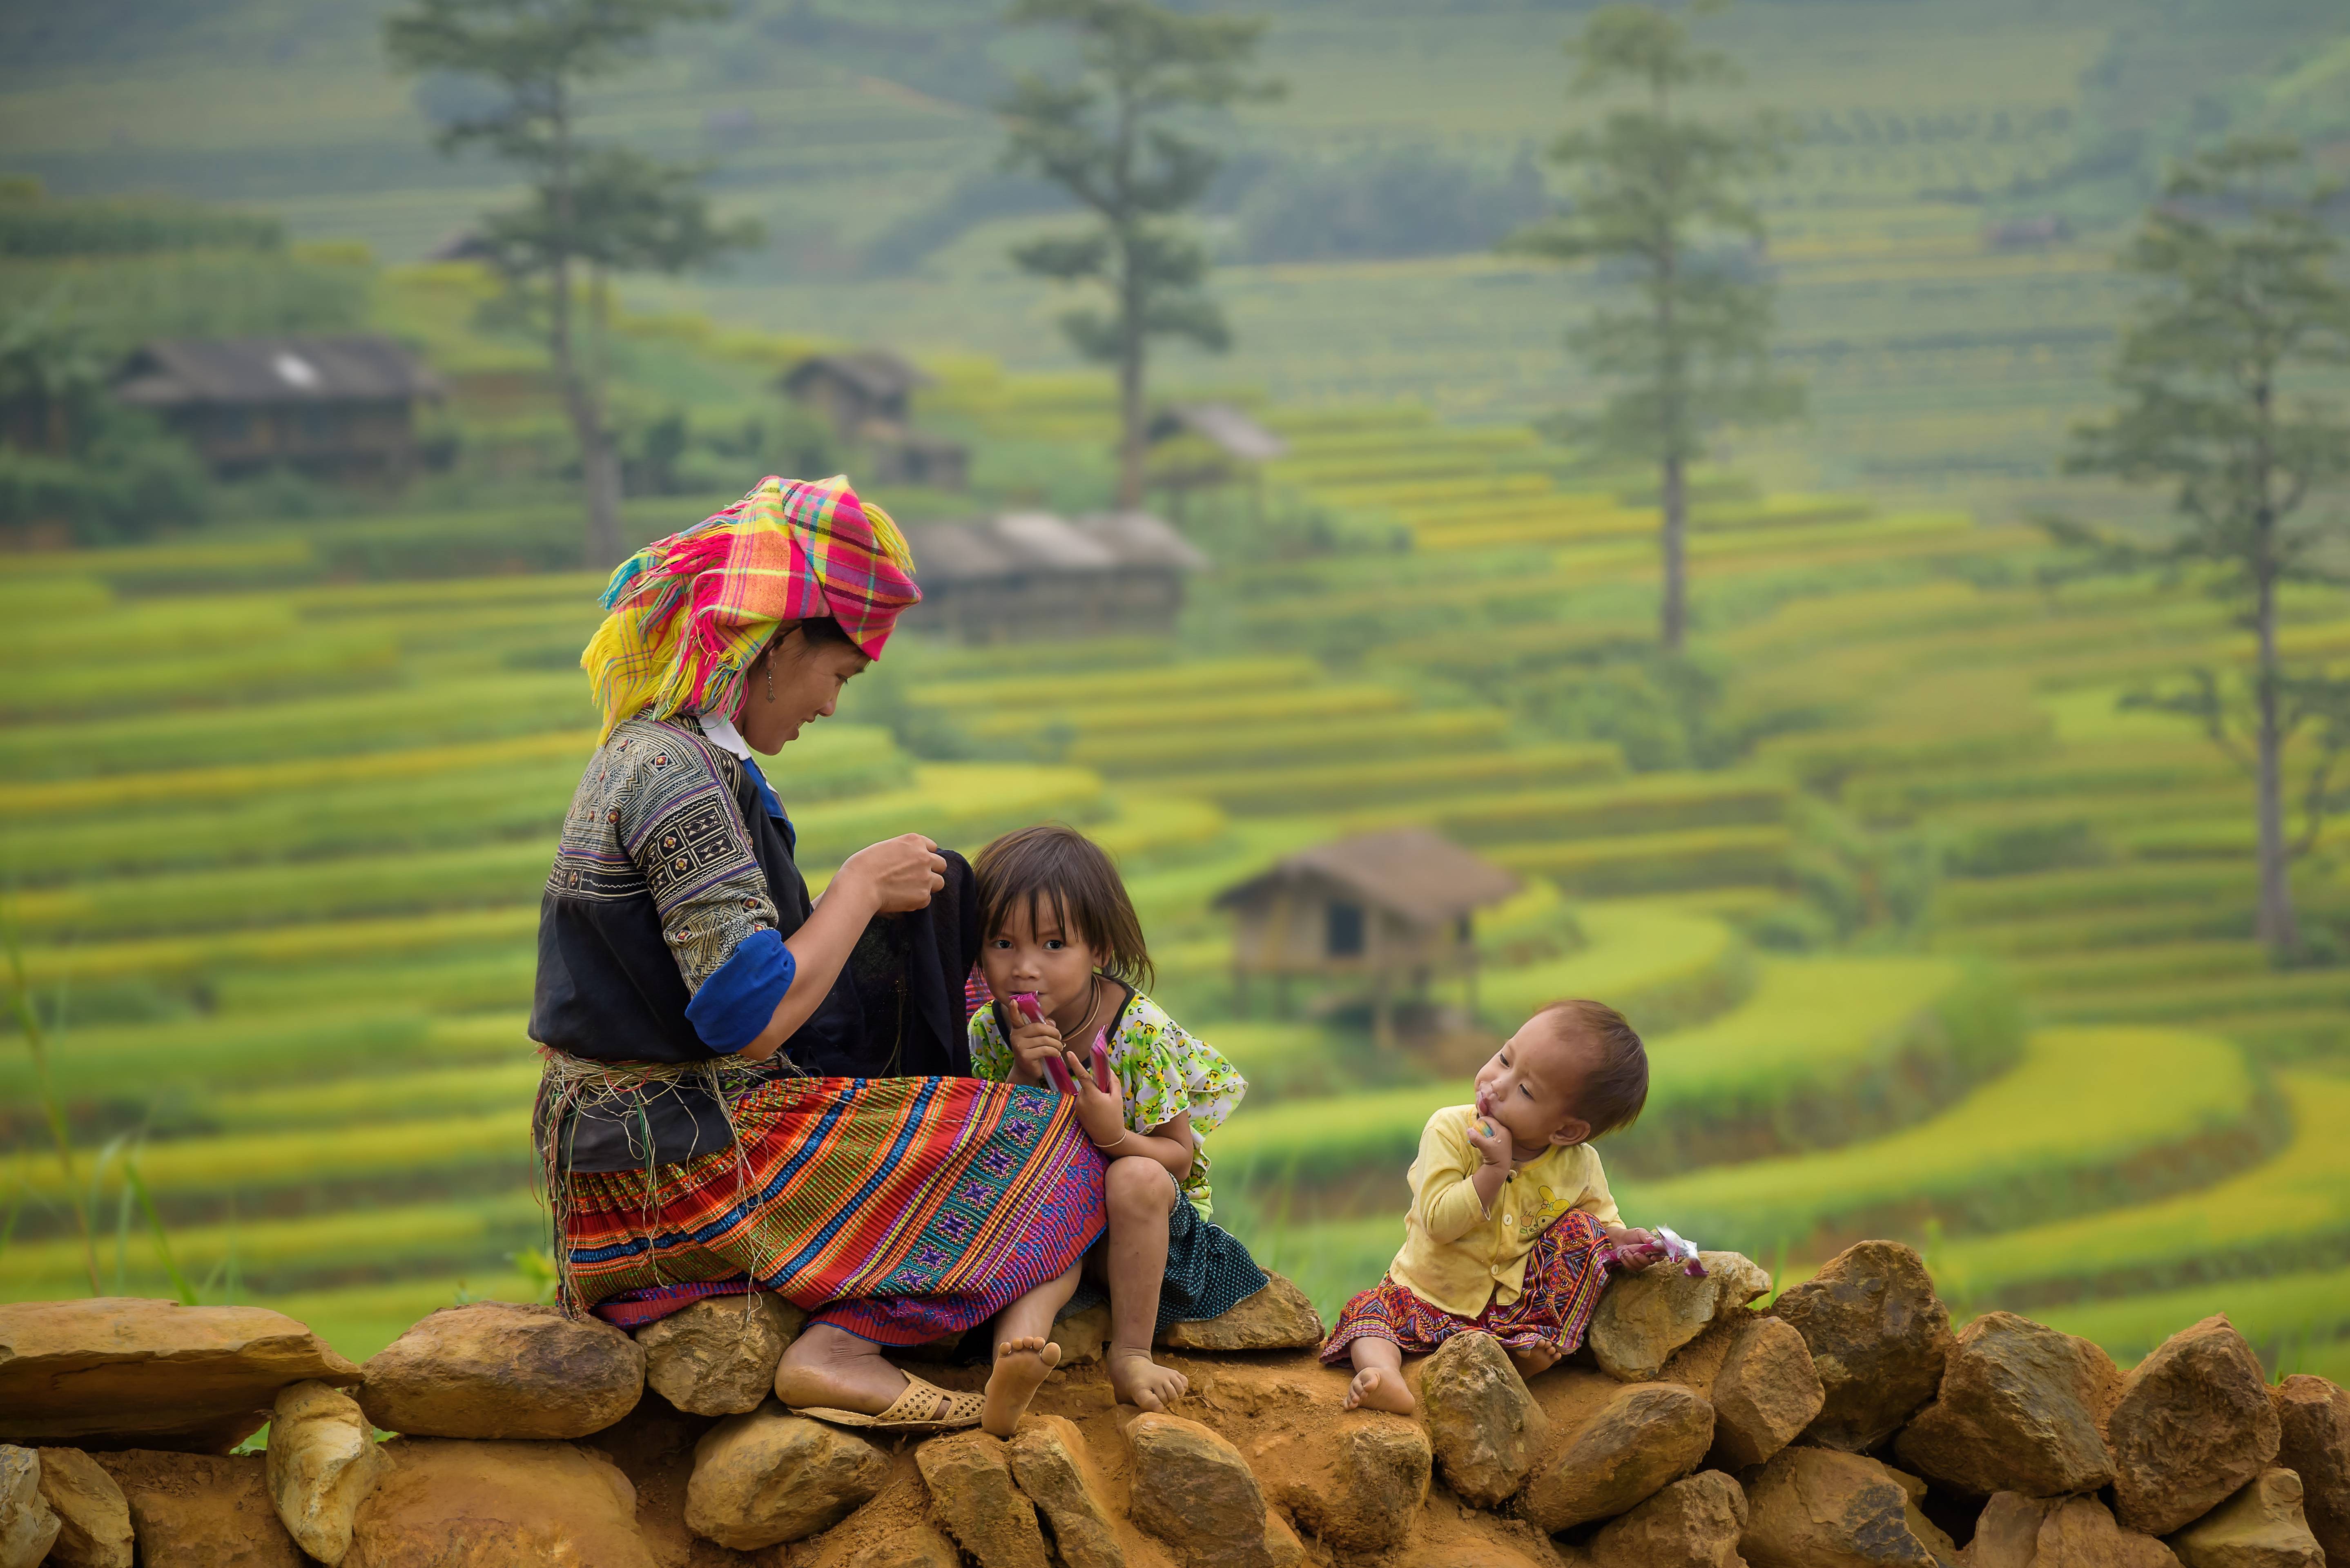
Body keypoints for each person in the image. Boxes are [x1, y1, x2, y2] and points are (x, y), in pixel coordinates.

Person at [532, 475, 1103, 1439]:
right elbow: (745, 1014)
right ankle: (846, 1348)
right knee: (1060, 1148)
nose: (831, 705)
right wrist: (856, 890)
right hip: (674, 1161)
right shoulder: (676, 775)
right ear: (778, 643)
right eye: (836, 674)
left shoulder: (667, 755)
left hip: (638, 1147)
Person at [967, 824, 1268, 1413]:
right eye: (1002, 944)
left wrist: (1113, 1134)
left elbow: (1177, 1160)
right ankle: (1011, 1365)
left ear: (1099, 951)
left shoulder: (1138, 1031)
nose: (1024, 967)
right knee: (1049, 1206)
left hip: (1145, 1223)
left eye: (1053, 945)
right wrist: (1022, 1079)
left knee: (1134, 1175)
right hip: (1057, 1221)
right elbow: (994, 1152)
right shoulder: (988, 1030)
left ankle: (1131, 1353)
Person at [1321, 1000, 1659, 1415]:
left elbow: (1603, 1220)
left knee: (1586, 1232)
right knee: (1368, 1314)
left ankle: (1516, 1356)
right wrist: (1492, 1172)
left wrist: (1623, 1240)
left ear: (1567, 1129)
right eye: (1504, 1058)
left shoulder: (1581, 1164)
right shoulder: (1450, 1129)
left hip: (1508, 1314)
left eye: (1526, 1090)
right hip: (1422, 1299)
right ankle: (1383, 1375)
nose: (1496, 1083)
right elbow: (1439, 1222)